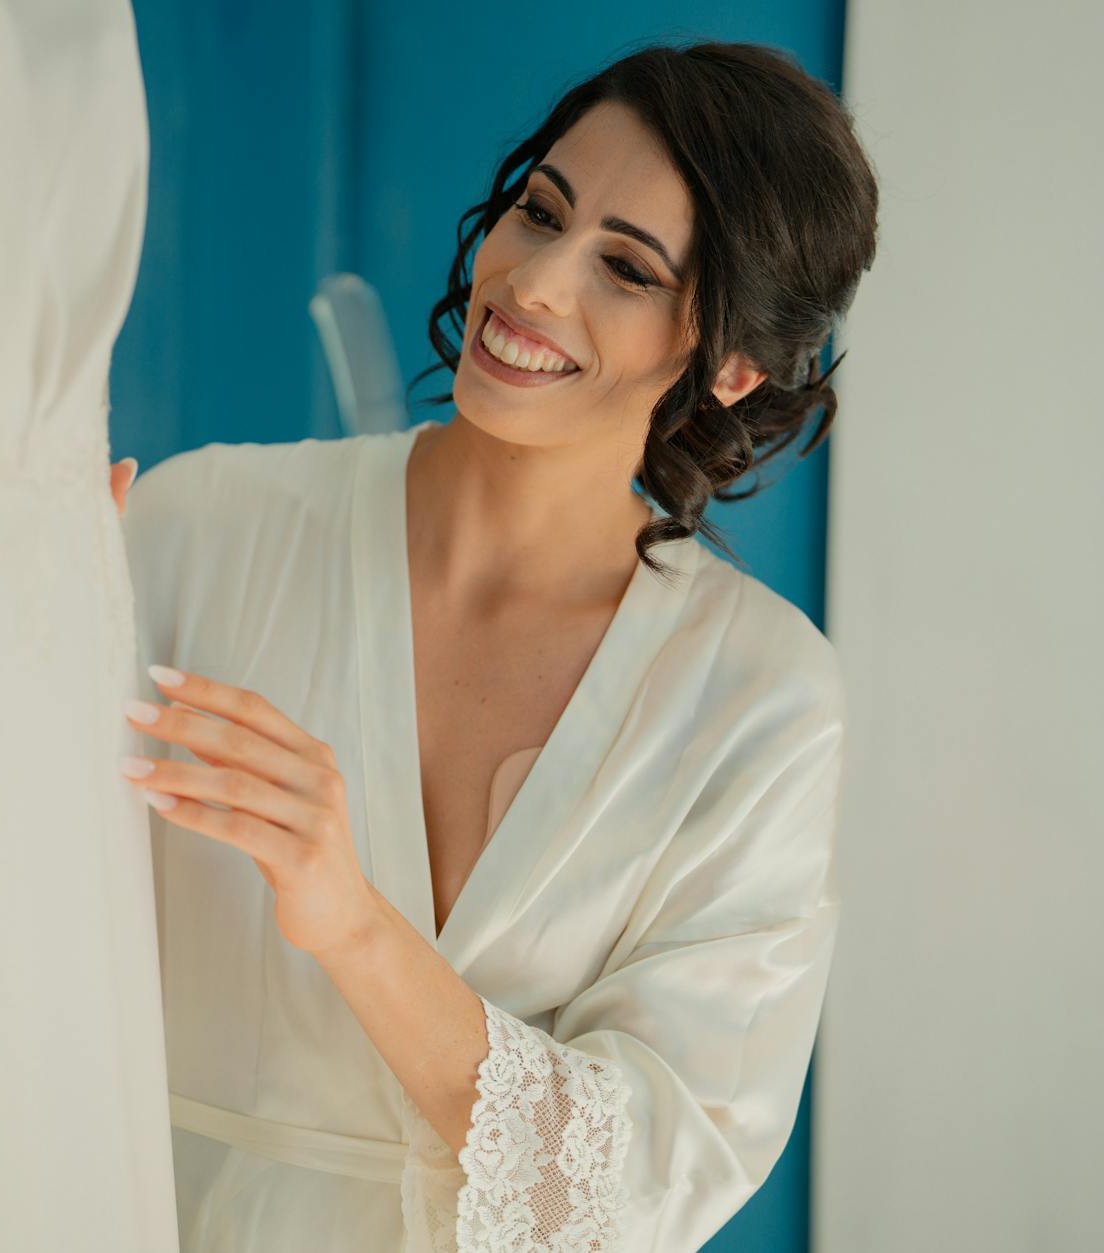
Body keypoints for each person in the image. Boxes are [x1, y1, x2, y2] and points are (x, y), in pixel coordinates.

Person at [119, 42, 877, 1252]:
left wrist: (351, 922)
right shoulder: (196, 525)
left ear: (732, 365)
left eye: (624, 269)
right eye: (538, 211)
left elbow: (651, 1180)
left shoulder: (757, 697)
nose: (529, 282)